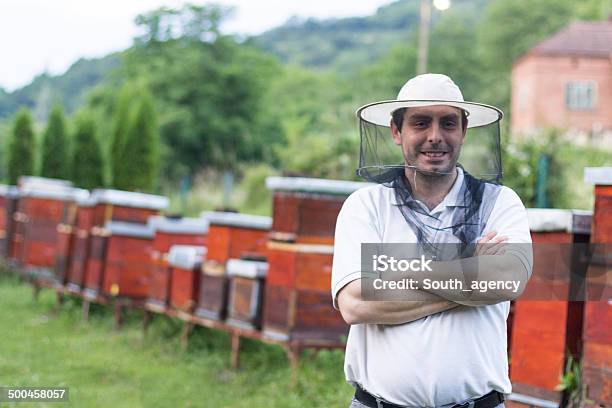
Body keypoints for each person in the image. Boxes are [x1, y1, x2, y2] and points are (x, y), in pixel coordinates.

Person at [331, 73, 533, 408]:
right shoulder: (366, 207)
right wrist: (471, 270)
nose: (435, 137)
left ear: (464, 131)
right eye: (421, 123)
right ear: (397, 131)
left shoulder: (501, 202)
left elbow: (509, 280)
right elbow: (356, 303)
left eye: (448, 123)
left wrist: (397, 272)